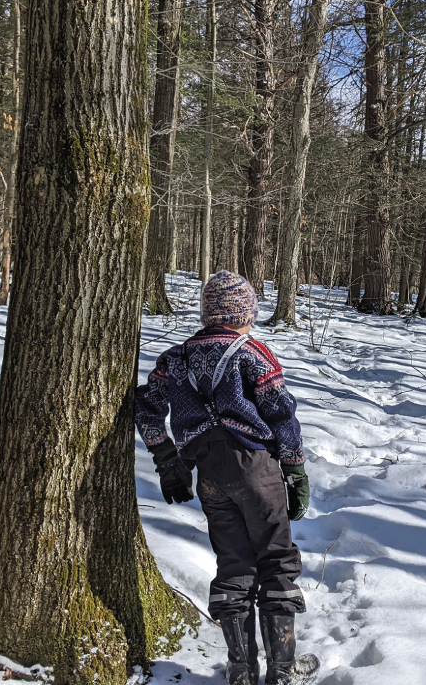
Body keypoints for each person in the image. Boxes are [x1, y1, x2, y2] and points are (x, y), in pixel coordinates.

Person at [135, 270, 315, 685]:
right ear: (242, 314)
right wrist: (294, 469)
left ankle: (240, 672)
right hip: (257, 468)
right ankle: (283, 671)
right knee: (276, 561)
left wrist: (167, 459)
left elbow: (146, 407)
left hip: (208, 475)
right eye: (250, 313)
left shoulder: (176, 359)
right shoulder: (254, 355)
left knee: (234, 564)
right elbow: (282, 415)